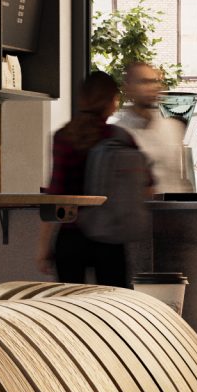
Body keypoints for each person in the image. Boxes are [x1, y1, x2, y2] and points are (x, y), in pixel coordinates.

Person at [42, 70, 144, 286]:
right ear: (110, 102)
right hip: (109, 238)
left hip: (70, 238)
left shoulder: (63, 136)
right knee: (114, 310)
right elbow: (146, 186)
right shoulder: (121, 137)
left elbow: (56, 193)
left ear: (83, 99)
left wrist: (43, 246)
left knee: (71, 312)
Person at [109, 59, 193, 197]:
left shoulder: (173, 128)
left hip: (172, 213)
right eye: (143, 82)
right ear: (128, 88)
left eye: (154, 81)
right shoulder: (118, 133)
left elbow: (182, 181)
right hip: (136, 213)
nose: (152, 87)